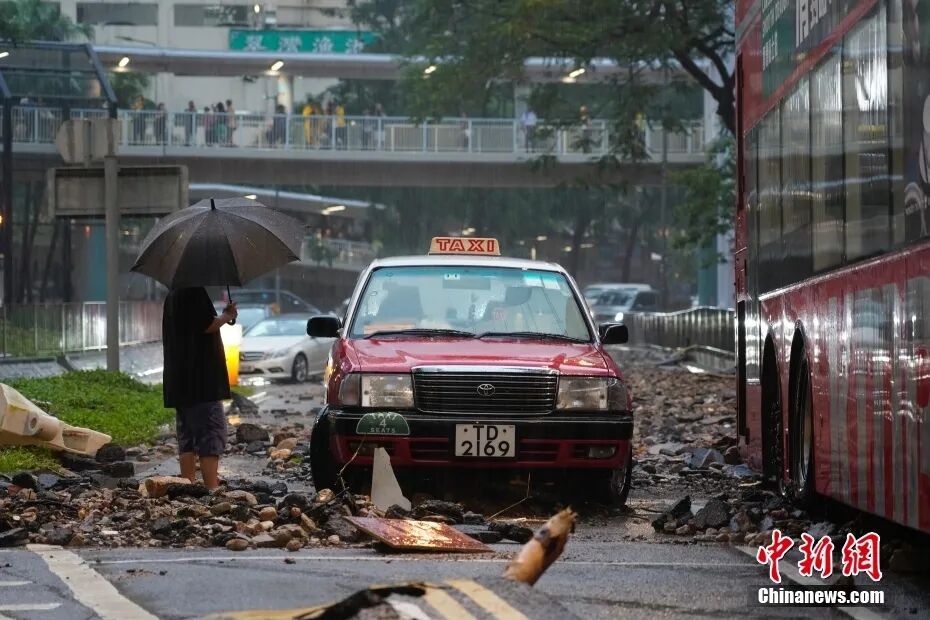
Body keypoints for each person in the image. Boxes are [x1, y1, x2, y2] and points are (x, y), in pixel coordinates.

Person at [162, 288, 237, 490]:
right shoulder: (193, 291)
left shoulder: (173, 294)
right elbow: (207, 324)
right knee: (210, 435)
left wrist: (224, 317)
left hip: (179, 380)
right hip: (201, 380)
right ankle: (211, 489)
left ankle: (188, 487)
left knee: (187, 438)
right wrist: (227, 315)